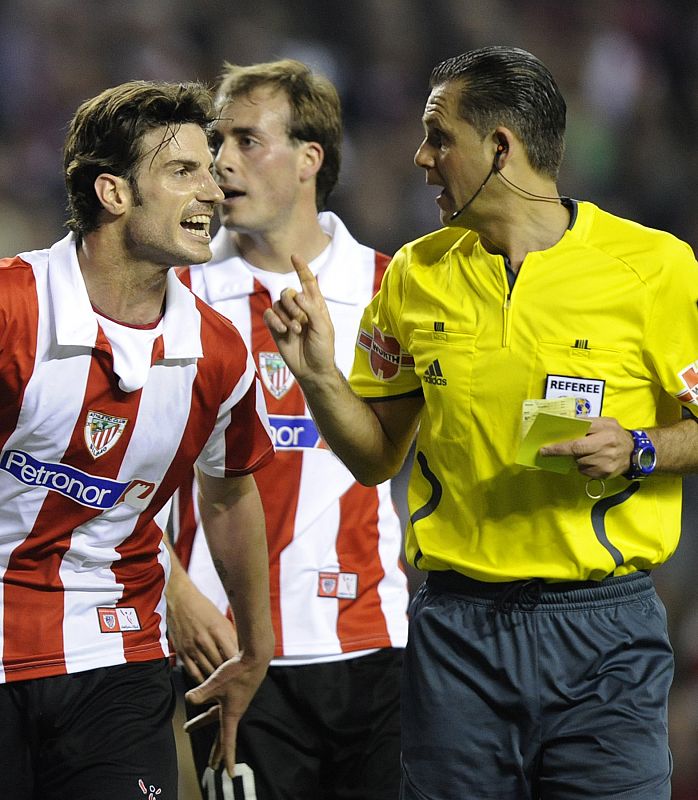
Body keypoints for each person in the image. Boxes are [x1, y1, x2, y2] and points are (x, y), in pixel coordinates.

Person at [264, 46, 698, 800]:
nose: (420, 156)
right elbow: (375, 458)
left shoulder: (655, 268)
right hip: (456, 632)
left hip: (604, 632)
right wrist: (320, 378)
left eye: (439, 136)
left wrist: (642, 447)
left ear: (501, 148)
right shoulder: (416, 273)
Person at [0, 80, 275, 799]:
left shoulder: (218, 353)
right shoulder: (11, 313)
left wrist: (256, 642)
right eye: (183, 172)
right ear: (114, 194)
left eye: (212, 172)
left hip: (118, 659)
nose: (212, 193)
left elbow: (229, 492)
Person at [166, 58, 409, 800]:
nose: (223, 161)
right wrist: (170, 588)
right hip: (229, 653)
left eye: (246, 140)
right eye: (217, 141)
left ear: (311, 159)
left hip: (374, 645)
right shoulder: (179, 295)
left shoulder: (392, 288)